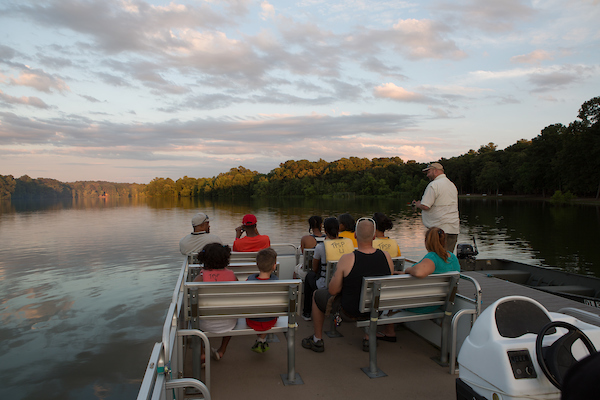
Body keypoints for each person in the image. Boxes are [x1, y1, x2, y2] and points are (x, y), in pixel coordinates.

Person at [302, 218, 394, 353]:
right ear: (374, 237)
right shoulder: (386, 256)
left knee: (317, 295)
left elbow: (333, 290)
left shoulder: (348, 259)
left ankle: (317, 339)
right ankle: (368, 338)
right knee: (370, 298)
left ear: (355, 236)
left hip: (350, 312)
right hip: (377, 310)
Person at [377, 227, 460, 341]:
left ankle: (389, 330)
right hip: (439, 302)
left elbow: (419, 272)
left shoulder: (433, 257)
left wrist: (407, 270)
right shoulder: (453, 258)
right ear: (444, 240)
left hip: (422, 305)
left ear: (427, 241)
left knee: (390, 288)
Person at [302, 217, 353, 321]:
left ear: (325, 231)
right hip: (346, 282)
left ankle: (307, 313)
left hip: (326, 284)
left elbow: (315, 269)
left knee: (309, 276)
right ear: (338, 229)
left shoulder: (321, 247)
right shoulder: (348, 243)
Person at [193, 243, 237, 361]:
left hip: (205, 324)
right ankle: (222, 349)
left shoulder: (200, 279)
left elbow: (191, 303)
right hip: (228, 324)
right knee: (232, 316)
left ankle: (202, 352)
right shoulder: (233, 276)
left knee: (193, 320)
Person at [412, 162, 460, 253]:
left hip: (438, 230)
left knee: (436, 258)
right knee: (448, 258)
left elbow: (426, 205)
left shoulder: (433, 185)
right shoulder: (451, 185)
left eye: (428, 172)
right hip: (453, 228)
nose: (427, 175)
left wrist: (418, 204)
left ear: (436, 170)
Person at [246, 247, 279, 353]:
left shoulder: (249, 280)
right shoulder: (277, 281)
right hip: (270, 321)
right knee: (269, 312)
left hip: (252, 321)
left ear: (257, 264)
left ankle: (261, 339)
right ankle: (262, 339)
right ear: (274, 266)